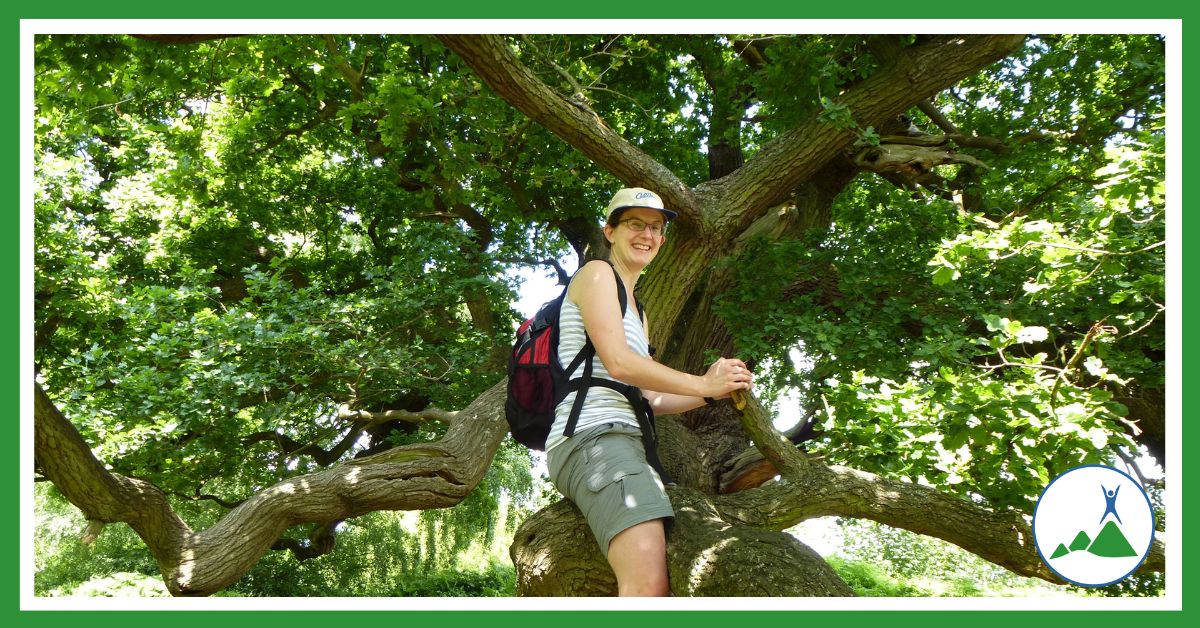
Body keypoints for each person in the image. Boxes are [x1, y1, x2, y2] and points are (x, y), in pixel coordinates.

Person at [544, 187, 753, 596]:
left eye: (656, 227)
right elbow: (619, 362)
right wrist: (703, 381)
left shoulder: (639, 311)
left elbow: (646, 398)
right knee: (647, 586)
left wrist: (713, 394)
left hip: (623, 441)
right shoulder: (597, 275)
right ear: (609, 230)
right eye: (635, 223)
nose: (647, 234)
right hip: (595, 439)